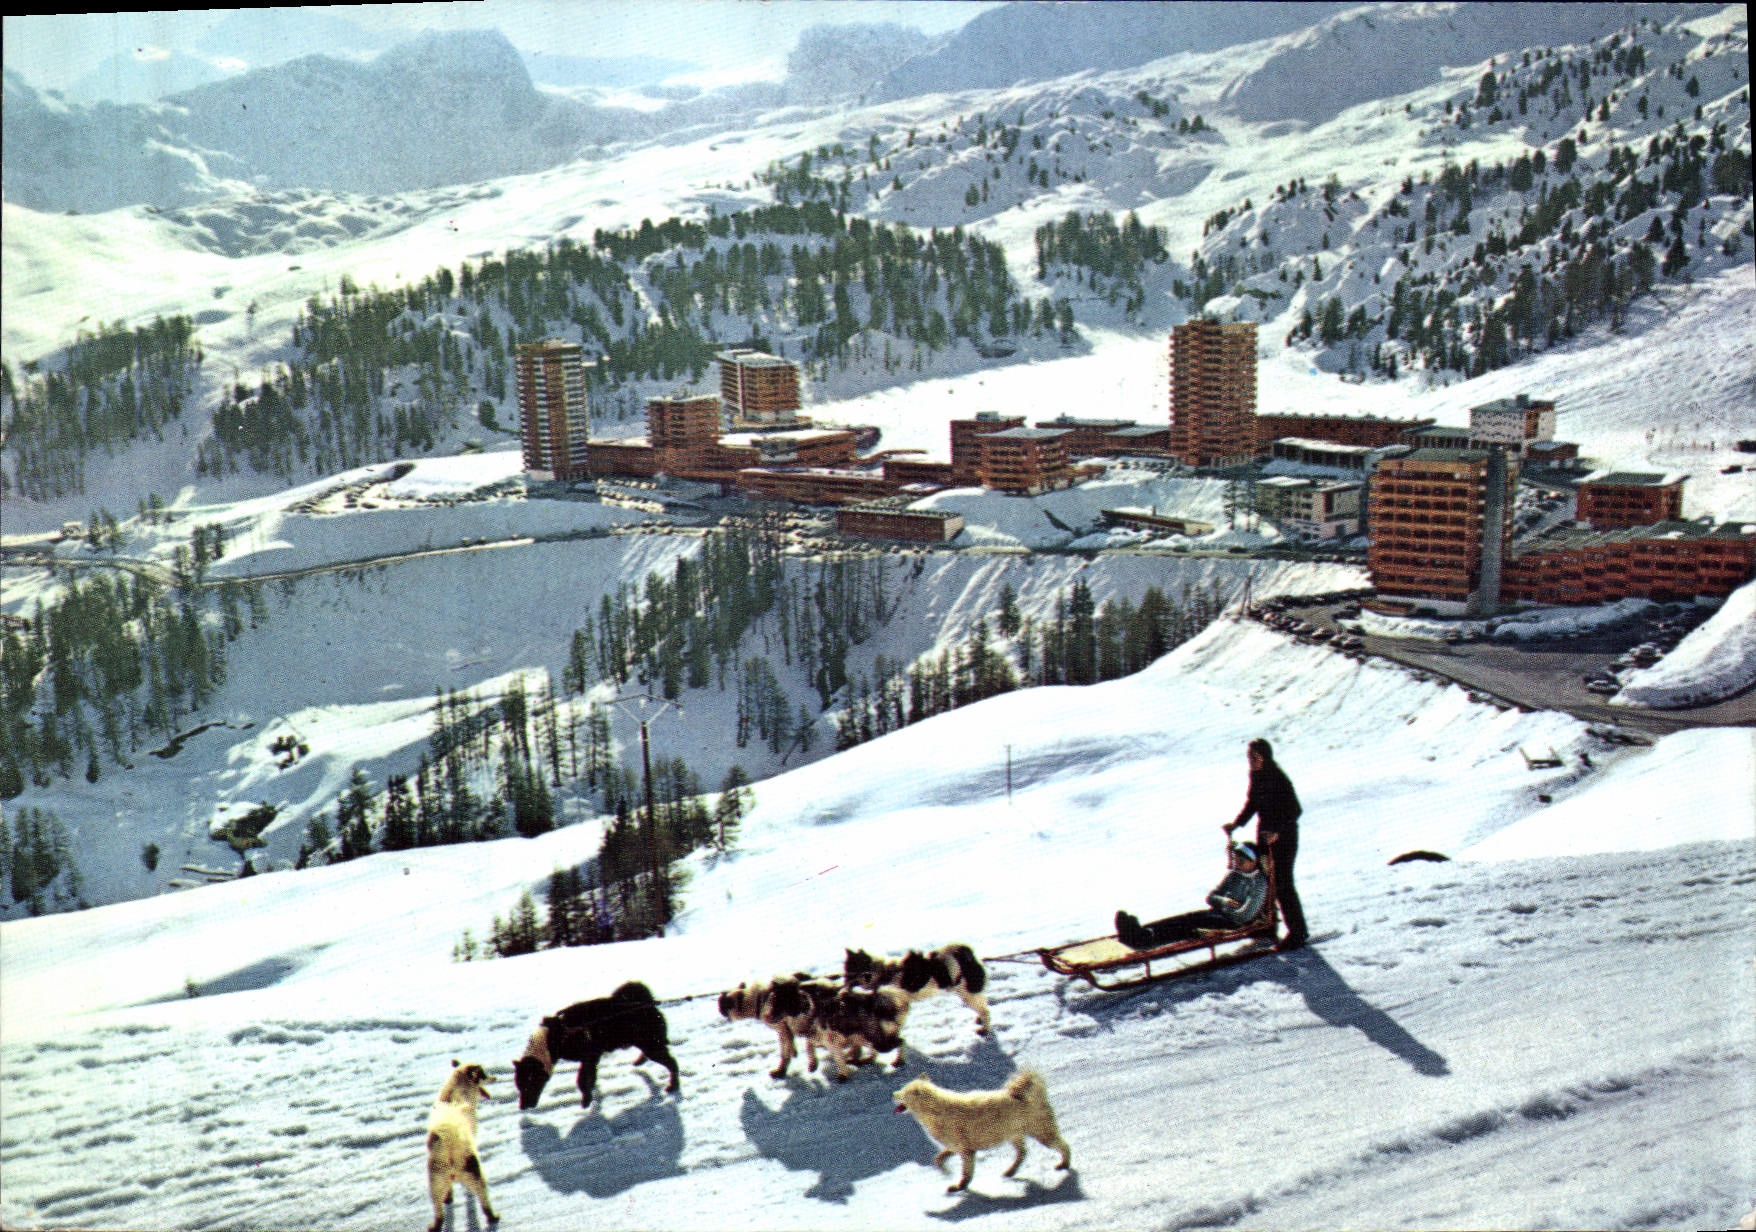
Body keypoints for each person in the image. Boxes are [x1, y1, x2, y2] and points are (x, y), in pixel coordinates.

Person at [1224, 737, 1308, 951]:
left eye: (1254, 757)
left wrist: (1277, 832)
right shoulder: (1257, 776)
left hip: (1284, 838)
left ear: (1265, 757)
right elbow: (1253, 803)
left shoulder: (1278, 779)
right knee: (1262, 881)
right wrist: (1237, 824)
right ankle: (1266, 926)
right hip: (1265, 836)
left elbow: (1295, 810)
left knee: (1282, 884)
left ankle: (1298, 932)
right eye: (1249, 757)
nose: (1250, 761)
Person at [1115, 842, 1269, 949]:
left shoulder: (1258, 883)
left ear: (1253, 862)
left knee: (1190, 926)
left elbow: (1244, 915)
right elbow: (1211, 898)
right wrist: (1224, 901)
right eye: (1236, 860)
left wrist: (1224, 907)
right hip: (1219, 913)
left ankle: (1145, 940)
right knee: (1185, 918)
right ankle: (1141, 932)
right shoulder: (1234, 876)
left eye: (1241, 861)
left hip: (1232, 922)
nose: (1237, 864)